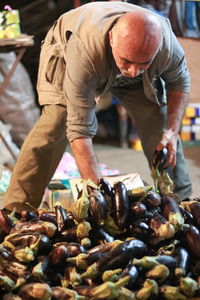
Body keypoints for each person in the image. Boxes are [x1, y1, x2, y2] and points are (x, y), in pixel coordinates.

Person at [3, 1, 192, 212]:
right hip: (72, 54)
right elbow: (79, 131)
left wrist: (173, 131)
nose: (133, 72)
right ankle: (15, 210)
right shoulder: (85, 51)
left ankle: (179, 202)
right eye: (127, 62)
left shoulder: (166, 47)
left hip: (129, 53)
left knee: (158, 121)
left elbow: (180, 83)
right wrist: (101, 198)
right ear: (112, 38)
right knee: (56, 123)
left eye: (143, 64)